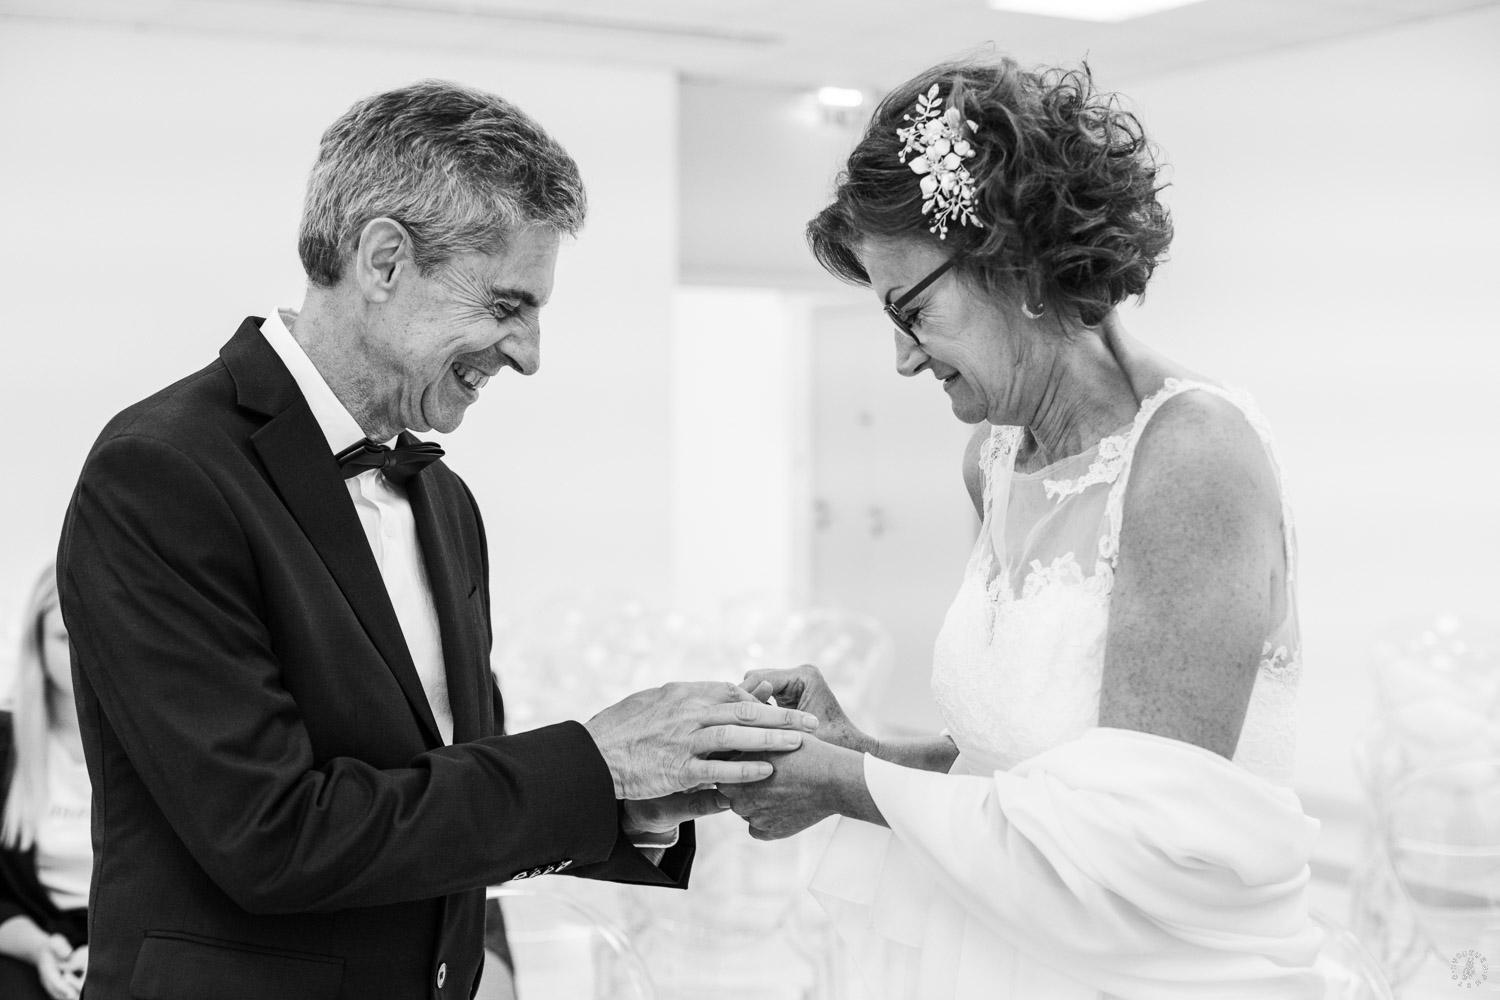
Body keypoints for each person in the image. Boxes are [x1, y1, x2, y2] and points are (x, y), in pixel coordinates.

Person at [56, 80, 816, 1000]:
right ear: (385, 261)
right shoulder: (163, 470)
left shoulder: (444, 499)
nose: (529, 353)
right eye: (506, 305)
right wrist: (593, 760)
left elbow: (446, 788)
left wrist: (631, 800)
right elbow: (270, 835)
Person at [721, 57, 1325, 998]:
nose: (902, 359)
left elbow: (1141, 845)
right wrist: (857, 748)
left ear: (1015, 267)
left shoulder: (1190, 455)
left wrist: (846, 784)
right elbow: (1015, 776)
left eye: (913, 312)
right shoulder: (995, 461)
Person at [1, 565, 90, 1000]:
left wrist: (110, 950)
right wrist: (39, 949)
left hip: (131, 941)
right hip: (31, 938)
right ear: (37, 641)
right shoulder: (7, 743)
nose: (79, 653)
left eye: (90, 635)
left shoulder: (151, 744)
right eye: (62, 637)